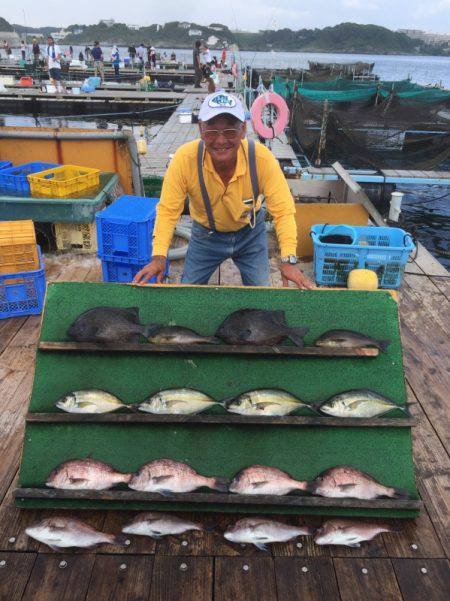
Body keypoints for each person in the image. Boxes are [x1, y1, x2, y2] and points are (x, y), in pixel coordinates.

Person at [133, 91, 313, 289]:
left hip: (250, 234)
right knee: (186, 292)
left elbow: (283, 211)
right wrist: (159, 256)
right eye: (211, 132)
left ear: (243, 130)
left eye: (229, 131)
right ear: (201, 130)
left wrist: (289, 260)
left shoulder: (262, 159)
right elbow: (168, 210)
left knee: (263, 294)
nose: (220, 141)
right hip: (206, 236)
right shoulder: (184, 160)